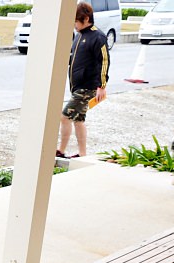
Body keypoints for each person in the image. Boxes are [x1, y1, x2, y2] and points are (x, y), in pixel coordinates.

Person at [57, 3, 109, 159]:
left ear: (86, 19)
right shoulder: (79, 35)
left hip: (88, 86)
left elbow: (104, 61)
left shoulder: (97, 36)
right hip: (78, 86)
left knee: (65, 116)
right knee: (78, 120)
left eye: (75, 21)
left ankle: (61, 150)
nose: (74, 25)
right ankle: (82, 154)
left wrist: (102, 86)